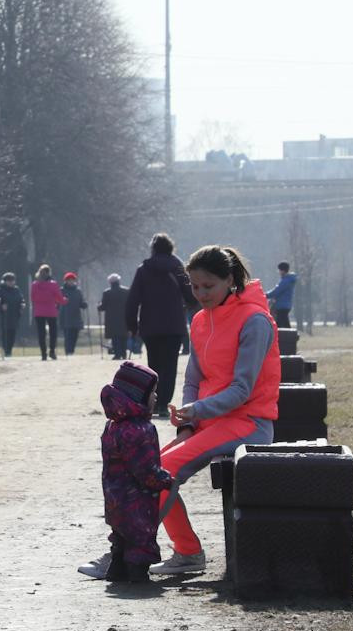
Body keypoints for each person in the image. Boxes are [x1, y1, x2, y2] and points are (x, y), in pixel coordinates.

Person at [150, 244, 280, 576]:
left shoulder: (255, 321)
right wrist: (187, 424)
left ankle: (129, 550)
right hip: (211, 423)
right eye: (194, 286)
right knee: (148, 468)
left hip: (249, 422)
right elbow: (193, 378)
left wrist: (197, 410)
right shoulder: (200, 320)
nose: (201, 293)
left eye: (209, 286)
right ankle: (187, 553)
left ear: (230, 281)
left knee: (163, 469)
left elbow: (242, 390)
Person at [79, 361, 174, 584]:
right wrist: (164, 480)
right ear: (138, 396)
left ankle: (117, 570)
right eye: (152, 393)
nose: (156, 397)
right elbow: (144, 470)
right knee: (140, 538)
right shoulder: (141, 430)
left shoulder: (113, 425)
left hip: (114, 497)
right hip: (136, 500)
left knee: (121, 536)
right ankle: (138, 576)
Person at [123, 233, 193, 415]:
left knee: (153, 364)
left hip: (150, 326)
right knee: (170, 365)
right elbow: (191, 295)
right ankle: (163, 403)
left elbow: (133, 300)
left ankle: (152, 400)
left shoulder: (143, 269)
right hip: (174, 325)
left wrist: (132, 325)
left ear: (153, 249)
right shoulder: (178, 267)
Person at [29, 264, 65, 361]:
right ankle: (52, 351)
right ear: (49, 273)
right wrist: (64, 300)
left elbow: (32, 298)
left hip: (39, 312)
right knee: (53, 332)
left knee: (41, 333)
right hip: (51, 311)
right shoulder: (53, 284)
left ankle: (43, 353)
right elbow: (59, 298)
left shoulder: (34, 284)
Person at [98, 274, 130, 359]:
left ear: (110, 282)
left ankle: (117, 354)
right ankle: (124, 353)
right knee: (123, 336)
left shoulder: (107, 292)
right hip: (124, 317)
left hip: (111, 318)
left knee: (115, 336)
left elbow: (103, 306)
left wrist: (99, 307)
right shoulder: (126, 291)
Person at [0, 272, 24, 357]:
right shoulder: (0, 290)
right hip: (4, 316)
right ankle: (6, 350)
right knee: (5, 334)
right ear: (4, 281)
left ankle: (9, 350)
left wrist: (22, 304)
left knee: (12, 334)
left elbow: (21, 299)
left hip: (14, 315)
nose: (11, 282)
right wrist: (1, 306)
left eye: (12, 280)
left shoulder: (16, 290)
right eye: (8, 280)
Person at [58, 272, 87, 356]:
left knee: (74, 336)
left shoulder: (78, 291)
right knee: (67, 336)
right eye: (69, 280)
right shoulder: (62, 290)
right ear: (66, 281)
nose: (71, 282)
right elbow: (57, 301)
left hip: (76, 316)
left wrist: (84, 304)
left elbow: (81, 302)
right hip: (65, 316)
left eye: (72, 280)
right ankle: (68, 351)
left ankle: (72, 350)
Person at [267, 261, 297, 328]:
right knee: (282, 325)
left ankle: (290, 337)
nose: (279, 272)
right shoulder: (287, 280)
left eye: (279, 270)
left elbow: (276, 291)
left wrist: (265, 295)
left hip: (282, 306)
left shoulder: (286, 281)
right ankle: (289, 337)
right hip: (284, 305)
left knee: (283, 326)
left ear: (283, 270)